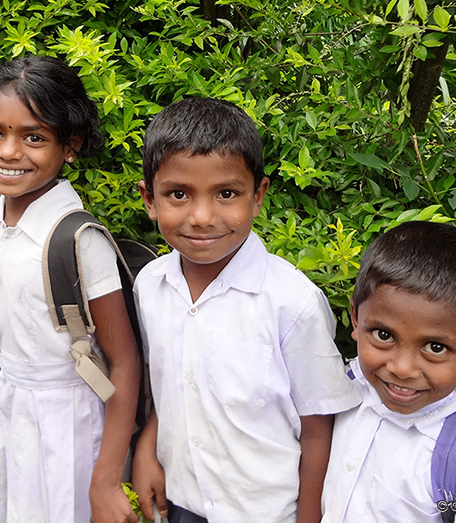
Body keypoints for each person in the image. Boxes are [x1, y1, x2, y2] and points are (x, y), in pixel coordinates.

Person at [131, 97, 361, 523]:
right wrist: (148, 447)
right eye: (178, 194)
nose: (202, 217)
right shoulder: (150, 286)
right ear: (149, 199)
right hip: (183, 502)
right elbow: (174, 385)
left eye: (226, 194)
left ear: (258, 196)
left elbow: (318, 427)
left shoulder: (292, 303)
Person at [0, 55, 140, 523]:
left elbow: (123, 361)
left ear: (70, 146)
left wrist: (106, 479)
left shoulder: (76, 240)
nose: (8, 151)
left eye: (34, 137)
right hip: (13, 408)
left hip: (72, 424)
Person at [321, 221, 456, 521]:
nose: (402, 368)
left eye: (435, 347)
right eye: (384, 335)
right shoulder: (337, 394)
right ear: (356, 319)